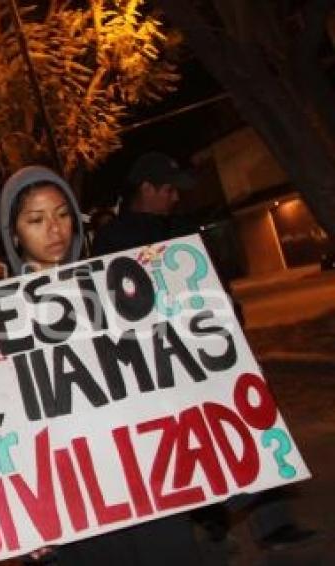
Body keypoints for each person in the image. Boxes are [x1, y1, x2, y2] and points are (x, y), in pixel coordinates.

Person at [93, 151, 315, 551]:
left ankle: (272, 524)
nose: (175, 198)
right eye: (168, 190)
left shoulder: (180, 227)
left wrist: (231, 316)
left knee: (248, 432)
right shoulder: (113, 241)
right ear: (146, 189)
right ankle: (211, 520)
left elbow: (212, 281)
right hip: (162, 365)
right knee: (193, 445)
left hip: (213, 356)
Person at [0, 166, 204, 565]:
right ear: (14, 232)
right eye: (36, 220)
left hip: (148, 480)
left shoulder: (120, 287)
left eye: (62, 214)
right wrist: (27, 522)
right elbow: (4, 425)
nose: (54, 229)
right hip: (74, 501)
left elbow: (167, 375)